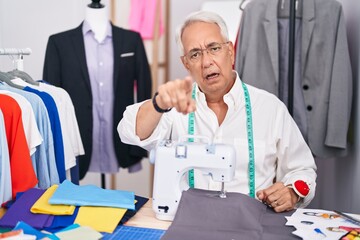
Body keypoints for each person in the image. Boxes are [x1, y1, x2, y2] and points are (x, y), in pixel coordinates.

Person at [118, 10, 317, 212]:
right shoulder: (174, 107)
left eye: (214, 48)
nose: (206, 62)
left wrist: (292, 192)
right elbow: (129, 131)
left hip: (252, 225)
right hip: (189, 222)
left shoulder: (270, 108)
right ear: (186, 64)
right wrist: (158, 103)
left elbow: (302, 169)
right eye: (195, 54)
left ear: (230, 51)